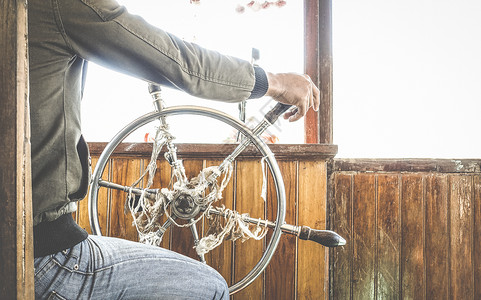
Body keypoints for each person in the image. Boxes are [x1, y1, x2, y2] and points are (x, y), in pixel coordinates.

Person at [29, 0, 320, 299]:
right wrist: (276, 82)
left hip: (19, 246)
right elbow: (180, 63)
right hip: (45, 257)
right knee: (211, 288)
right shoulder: (60, 5)